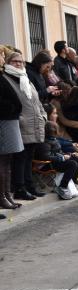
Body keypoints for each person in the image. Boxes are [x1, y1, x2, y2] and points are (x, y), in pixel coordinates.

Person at [4, 50, 47, 199]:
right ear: (8, 63)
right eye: (15, 61)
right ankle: (20, 188)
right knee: (20, 158)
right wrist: (20, 118)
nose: (19, 64)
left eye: (21, 61)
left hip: (34, 122)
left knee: (29, 157)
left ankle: (29, 185)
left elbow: (36, 101)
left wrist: (43, 115)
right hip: (20, 124)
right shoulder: (6, 78)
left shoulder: (25, 78)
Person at [0, 46, 25, 213]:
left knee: (7, 160)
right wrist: (11, 108)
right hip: (4, 120)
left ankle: (7, 194)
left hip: (10, 120)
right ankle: (2, 196)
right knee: (2, 161)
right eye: (1, 55)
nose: (3, 58)